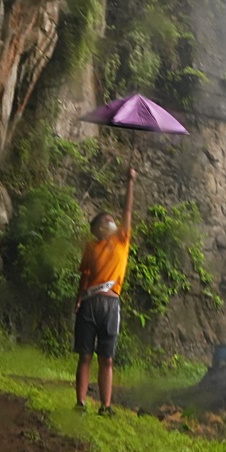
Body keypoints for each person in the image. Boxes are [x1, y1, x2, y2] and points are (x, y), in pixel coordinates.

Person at [74, 165, 136, 415]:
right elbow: (85, 276)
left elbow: (128, 210)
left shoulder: (122, 240)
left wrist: (130, 181)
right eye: (106, 221)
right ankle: (80, 402)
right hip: (89, 304)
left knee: (107, 358)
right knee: (85, 355)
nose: (112, 221)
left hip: (111, 305)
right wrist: (78, 300)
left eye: (112, 220)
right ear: (98, 229)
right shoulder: (91, 247)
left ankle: (106, 405)